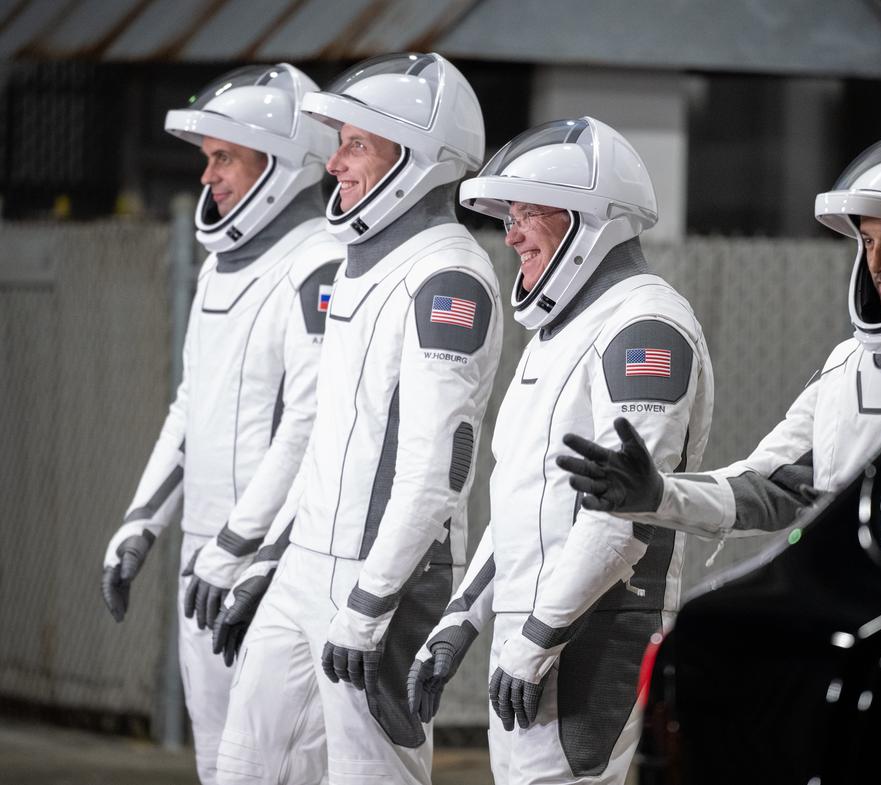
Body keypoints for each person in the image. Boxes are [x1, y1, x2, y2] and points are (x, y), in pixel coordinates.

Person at [209, 53, 502, 785]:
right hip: (308, 562)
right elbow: (328, 442)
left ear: (419, 156)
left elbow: (439, 468)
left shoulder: (449, 275)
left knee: (372, 775)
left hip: (388, 575)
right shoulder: (355, 262)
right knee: (246, 766)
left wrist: (372, 601)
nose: (333, 161)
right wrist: (275, 558)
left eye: (355, 143)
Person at [405, 117, 714, 785]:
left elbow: (624, 517)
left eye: (526, 213)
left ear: (588, 218)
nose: (510, 234)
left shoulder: (644, 326)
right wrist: (461, 618)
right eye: (507, 215)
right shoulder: (558, 334)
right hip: (530, 636)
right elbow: (521, 506)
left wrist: (540, 637)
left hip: (594, 632)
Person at [556, 128, 881, 542]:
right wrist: (659, 494)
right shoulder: (848, 365)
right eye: (868, 241)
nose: (877, 264)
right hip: (843, 618)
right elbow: (770, 485)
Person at [99, 63, 342, 784]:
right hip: (204, 563)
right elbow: (190, 405)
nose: (208, 178)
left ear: (284, 160)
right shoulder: (216, 271)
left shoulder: (320, 267)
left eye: (224, 157)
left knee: (278, 768)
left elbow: (314, 423)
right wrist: (141, 523)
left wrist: (243, 547)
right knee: (220, 768)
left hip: (274, 563)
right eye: (207, 159)